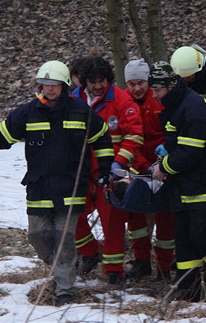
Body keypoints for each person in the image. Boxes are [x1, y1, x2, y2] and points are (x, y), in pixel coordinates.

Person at [0, 60, 113, 305]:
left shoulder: (81, 111)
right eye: (45, 84)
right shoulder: (27, 112)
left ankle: (65, 288)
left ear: (65, 85)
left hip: (70, 188)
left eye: (55, 85)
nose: (50, 89)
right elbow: (0, 135)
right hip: (39, 187)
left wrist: (106, 169)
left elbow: (102, 138)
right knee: (37, 235)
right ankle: (62, 267)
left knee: (64, 238)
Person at [149, 61, 206, 301]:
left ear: (170, 85)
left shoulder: (192, 106)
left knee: (202, 234)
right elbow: (178, 144)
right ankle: (188, 286)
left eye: (157, 89)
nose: (154, 95)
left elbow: (191, 152)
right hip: (187, 184)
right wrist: (166, 156)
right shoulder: (176, 103)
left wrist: (164, 167)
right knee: (184, 237)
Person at [72, 56, 144, 284]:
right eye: (92, 81)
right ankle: (90, 251)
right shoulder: (73, 100)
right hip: (80, 171)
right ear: (84, 82)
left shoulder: (122, 101)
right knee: (72, 215)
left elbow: (134, 136)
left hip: (110, 171)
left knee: (112, 221)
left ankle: (114, 271)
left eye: (101, 80)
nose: (97, 85)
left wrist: (119, 163)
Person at [123, 58, 174, 281]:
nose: (136, 88)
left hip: (163, 168)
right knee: (135, 219)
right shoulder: (123, 102)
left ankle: (163, 268)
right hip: (136, 166)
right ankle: (141, 261)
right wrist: (140, 166)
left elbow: (171, 135)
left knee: (165, 218)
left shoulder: (160, 100)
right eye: (132, 84)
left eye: (140, 83)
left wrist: (161, 165)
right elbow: (126, 139)